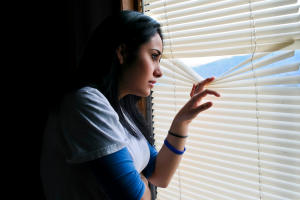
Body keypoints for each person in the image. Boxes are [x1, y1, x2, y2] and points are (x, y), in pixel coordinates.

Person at [40, 10, 220, 200]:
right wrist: (141, 184)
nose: (159, 72)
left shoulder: (121, 110)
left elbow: (160, 175)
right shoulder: (86, 103)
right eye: (153, 56)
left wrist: (182, 121)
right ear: (122, 52)